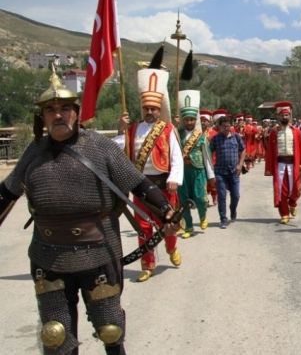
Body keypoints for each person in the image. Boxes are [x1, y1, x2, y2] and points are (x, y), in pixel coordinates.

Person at [0, 70, 178, 354]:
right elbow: (7, 193)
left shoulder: (100, 147)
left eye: (65, 108)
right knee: (56, 336)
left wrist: (166, 210)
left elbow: (138, 183)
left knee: (111, 331)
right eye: (51, 110)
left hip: (98, 251)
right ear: (42, 117)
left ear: (76, 113)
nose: (59, 115)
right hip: (48, 255)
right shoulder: (34, 152)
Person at [115, 67, 184, 283]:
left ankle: (171, 248)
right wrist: (120, 130)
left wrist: (174, 178)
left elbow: (176, 156)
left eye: (154, 108)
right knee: (143, 227)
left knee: (168, 224)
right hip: (141, 185)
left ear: (158, 109)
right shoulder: (133, 129)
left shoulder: (167, 129)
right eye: (147, 108)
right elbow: (117, 149)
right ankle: (147, 265)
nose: (150, 112)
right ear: (142, 108)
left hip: (164, 185)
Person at [177, 90, 215, 238]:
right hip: (183, 172)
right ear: (183, 120)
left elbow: (207, 157)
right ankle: (189, 227)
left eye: (192, 119)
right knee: (184, 199)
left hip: (198, 170)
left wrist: (211, 176)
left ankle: (203, 215)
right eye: (186, 119)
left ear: (195, 120)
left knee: (200, 197)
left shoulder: (201, 136)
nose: (189, 122)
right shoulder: (177, 133)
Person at [265, 101, 301, 224]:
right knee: (281, 190)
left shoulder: (297, 131)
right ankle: (284, 213)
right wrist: (269, 167)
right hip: (279, 165)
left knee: (295, 189)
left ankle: (293, 203)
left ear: (290, 116)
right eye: (282, 115)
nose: (284, 117)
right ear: (278, 117)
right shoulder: (274, 132)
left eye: (286, 115)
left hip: (294, 164)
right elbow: (270, 151)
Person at [209, 115, 246, 228]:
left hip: (234, 171)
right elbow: (209, 152)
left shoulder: (236, 137)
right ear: (219, 127)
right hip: (220, 172)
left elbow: (243, 149)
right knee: (222, 196)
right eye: (223, 126)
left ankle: (232, 209)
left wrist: (240, 165)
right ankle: (223, 219)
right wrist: (211, 167)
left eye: (228, 126)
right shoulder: (216, 139)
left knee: (236, 195)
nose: (226, 128)